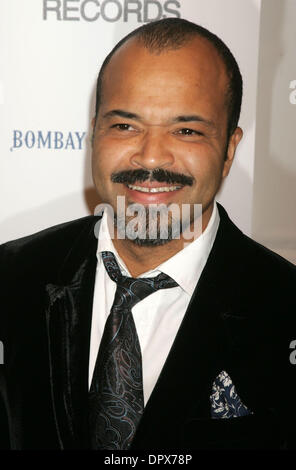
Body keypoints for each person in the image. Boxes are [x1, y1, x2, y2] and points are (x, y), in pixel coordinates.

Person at [0, 18, 295, 451]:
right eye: (125, 125)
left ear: (229, 149)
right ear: (95, 131)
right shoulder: (11, 278)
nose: (151, 156)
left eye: (187, 130)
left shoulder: (285, 308)